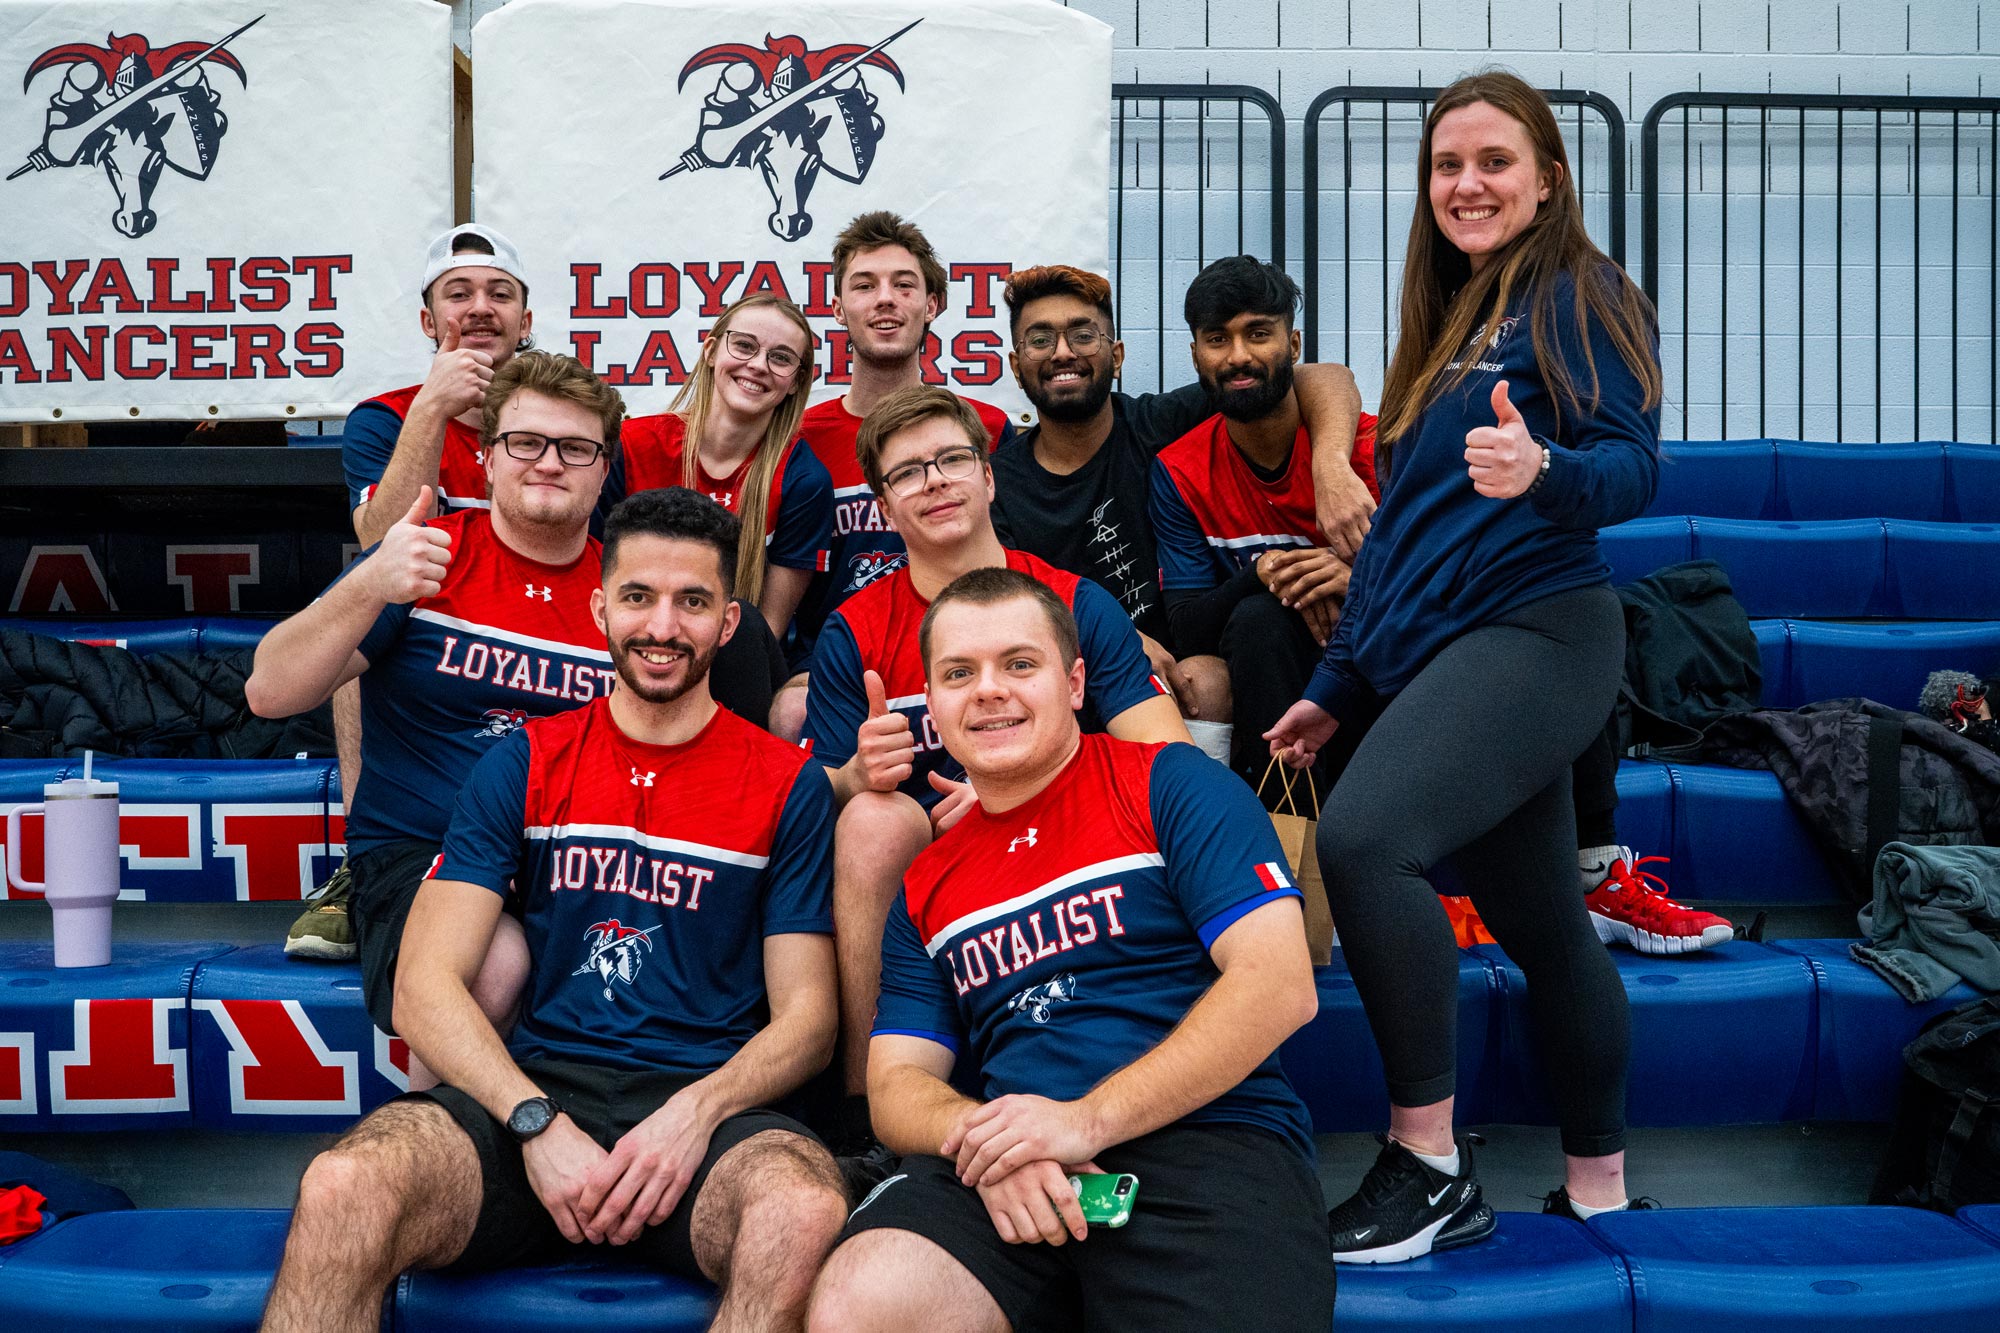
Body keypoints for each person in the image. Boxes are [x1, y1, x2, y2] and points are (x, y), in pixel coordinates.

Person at [259, 488, 847, 1333]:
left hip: (702, 1109)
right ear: (600, 604)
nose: (662, 625)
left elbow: (809, 1021)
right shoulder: (525, 760)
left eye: (692, 601)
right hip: (535, 1096)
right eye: (639, 596)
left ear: (729, 622)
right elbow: (426, 985)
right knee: (346, 1183)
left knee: (801, 1208)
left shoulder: (785, 784)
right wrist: (534, 1121)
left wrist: (694, 1116)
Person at [1266, 70, 1665, 1260]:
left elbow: (1635, 465)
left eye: (1493, 161)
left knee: (1361, 842)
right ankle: (1597, 1191)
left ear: (1546, 177)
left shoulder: (1578, 290)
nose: (1466, 184)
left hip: (1539, 635)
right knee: (1543, 925)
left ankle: (1426, 1166)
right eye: (1447, 165)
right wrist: (1333, 689)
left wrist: (1546, 472)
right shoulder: (1447, 332)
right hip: (1459, 651)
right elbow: (1399, 546)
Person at [805, 568, 1333, 1333]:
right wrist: (993, 1143)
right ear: (934, 705)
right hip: (1007, 1164)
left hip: (1206, 1147)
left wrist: (1083, 1121)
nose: (988, 690)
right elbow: (896, 1083)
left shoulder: (1171, 783)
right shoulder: (928, 881)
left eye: (1019, 663)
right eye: (959, 673)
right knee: (864, 1297)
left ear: (1077, 680)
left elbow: (1281, 983)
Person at [800, 385, 1186, 1158]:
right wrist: (854, 775)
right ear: (881, 505)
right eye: (908, 472)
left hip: (1064, 848)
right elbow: (810, 801)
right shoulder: (856, 627)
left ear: (988, 477)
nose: (935, 481)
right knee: (872, 819)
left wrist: (1017, 782)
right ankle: (866, 1116)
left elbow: (1164, 756)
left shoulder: (1072, 600)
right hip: (924, 875)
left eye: (950, 460)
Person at [248, 352, 621, 1090]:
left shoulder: (630, 591)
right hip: (425, 851)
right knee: (491, 958)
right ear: (485, 459)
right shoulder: (426, 561)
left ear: (603, 470)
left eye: (575, 448)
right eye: (525, 442)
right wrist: (368, 585)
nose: (549, 463)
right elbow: (269, 690)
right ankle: (438, 1155)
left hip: (574, 861)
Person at [290, 224, 536, 961]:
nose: (481, 307)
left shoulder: (560, 415)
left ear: (529, 320)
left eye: (501, 293)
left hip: (541, 626)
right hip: (432, 638)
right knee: (366, 604)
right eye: (457, 294)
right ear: (429, 323)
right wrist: (434, 406)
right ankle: (365, 867)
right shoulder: (387, 416)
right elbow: (377, 533)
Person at [990, 263, 1370, 725]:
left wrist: (1330, 465)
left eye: (1083, 335)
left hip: (1177, 675)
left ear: (1117, 355)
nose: (1063, 353)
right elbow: (1000, 592)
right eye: (1040, 339)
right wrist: (1111, 637)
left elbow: (1318, 377)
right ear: (1015, 363)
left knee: (1211, 673)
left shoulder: (1161, 425)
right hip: (1060, 669)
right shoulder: (998, 483)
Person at [772, 211, 1016, 739]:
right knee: (793, 714)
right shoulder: (797, 438)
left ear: (932, 305)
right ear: (837, 307)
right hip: (837, 654)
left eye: (904, 285)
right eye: (865, 285)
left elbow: (1021, 552)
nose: (885, 299)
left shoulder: (987, 427)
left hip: (977, 639)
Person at [1151, 255, 1381, 797]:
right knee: (1258, 619)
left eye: (1258, 334)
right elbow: (1187, 628)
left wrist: (1358, 580)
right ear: (1195, 355)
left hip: (1376, 668)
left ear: (1294, 346)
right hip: (1271, 685)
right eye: (1217, 339)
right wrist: (1268, 572)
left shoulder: (1370, 449)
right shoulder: (1179, 471)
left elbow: (1447, 584)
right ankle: (1283, 836)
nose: (1239, 357)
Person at [603, 294, 833, 647]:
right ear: (711, 351)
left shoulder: (803, 480)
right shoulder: (633, 445)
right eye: (744, 345)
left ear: (797, 382)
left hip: (727, 663)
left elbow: (766, 631)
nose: (758, 365)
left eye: (781, 358)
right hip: (623, 647)